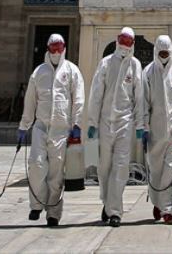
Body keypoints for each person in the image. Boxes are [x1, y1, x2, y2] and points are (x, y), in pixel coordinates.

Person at [18, 33, 84, 227]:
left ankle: (53, 213)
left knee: (56, 174)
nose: (57, 51)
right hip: (41, 127)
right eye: (53, 47)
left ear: (64, 48)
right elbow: (30, 101)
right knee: (36, 166)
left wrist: (76, 125)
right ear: (48, 48)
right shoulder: (39, 72)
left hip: (61, 130)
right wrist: (24, 126)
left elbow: (78, 99)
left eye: (60, 47)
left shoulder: (71, 70)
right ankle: (37, 205)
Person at [86, 26, 145, 227]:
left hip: (125, 123)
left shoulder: (135, 66)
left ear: (133, 44)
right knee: (104, 167)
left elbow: (139, 97)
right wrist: (92, 122)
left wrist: (140, 124)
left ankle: (115, 212)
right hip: (105, 122)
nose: (124, 45)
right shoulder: (105, 64)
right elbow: (95, 95)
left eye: (128, 41)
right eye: (122, 40)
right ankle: (106, 201)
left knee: (120, 167)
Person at [141, 35, 172, 224]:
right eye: (161, 53)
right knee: (155, 168)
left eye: (166, 53)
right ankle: (158, 202)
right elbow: (144, 103)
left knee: (170, 167)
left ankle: (168, 208)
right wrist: (144, 127)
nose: (164, 56)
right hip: (155, 128)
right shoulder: (148, 72)